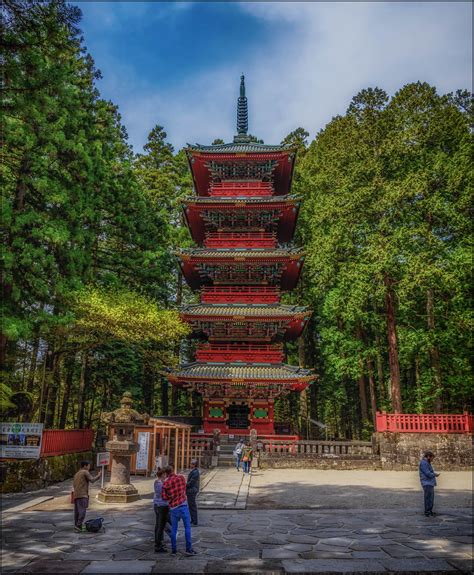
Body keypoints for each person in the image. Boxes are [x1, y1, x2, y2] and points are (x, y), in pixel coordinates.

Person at [162, 465, 196, 556]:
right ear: (173, 470)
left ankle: (174, 550)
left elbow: (164, 497)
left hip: (173, 508)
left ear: (166, 473)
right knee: (187, 528)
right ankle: (188, 549)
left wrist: (171, 497)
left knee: (174, 529)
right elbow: (184, 487)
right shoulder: (181, 478)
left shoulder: (166, 483)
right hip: (183, 505)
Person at [72, 460, 101, 532]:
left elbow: (74, 484)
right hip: (82, 494)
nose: (89, 467)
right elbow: (92, 480)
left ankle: (77, 525)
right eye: (88, 465)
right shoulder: (85, 472)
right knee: (82, 511)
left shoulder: (77, 473)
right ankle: (78, 525)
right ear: (85, 466)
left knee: (77, 512)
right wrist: (99, 475)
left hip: (76, 494)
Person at [153, 468, 172, 553]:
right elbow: (167, 495)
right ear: (162, 475)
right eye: (165, 475)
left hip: (156, 505)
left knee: (158, 525)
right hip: (163, 506)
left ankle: (157, 541)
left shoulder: (156, 482)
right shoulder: (162, 484)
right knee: (161, 526)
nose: (166, 476)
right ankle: (158, 545)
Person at [419, 450, 440, 517]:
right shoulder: (424, 463)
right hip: (426, 482)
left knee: (431, 498)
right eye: (432, 458)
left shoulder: (427, 463)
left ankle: (430, 511)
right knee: (428, 498)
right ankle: (427, 512)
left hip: (429, 483)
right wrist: (435, 474)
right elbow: (427, 473)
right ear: (428, 456)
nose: (432, 460)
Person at [186, 459, 200, 526]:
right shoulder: (194, 471)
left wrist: (184, 485)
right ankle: (193, 520)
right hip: (192, 490)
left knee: (192, 506)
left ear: (194, 464)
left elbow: (191, 483)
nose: (190, 464)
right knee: (191, 506)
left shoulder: (195, 472)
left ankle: (194, 521)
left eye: (191, 463)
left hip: (192, 490)